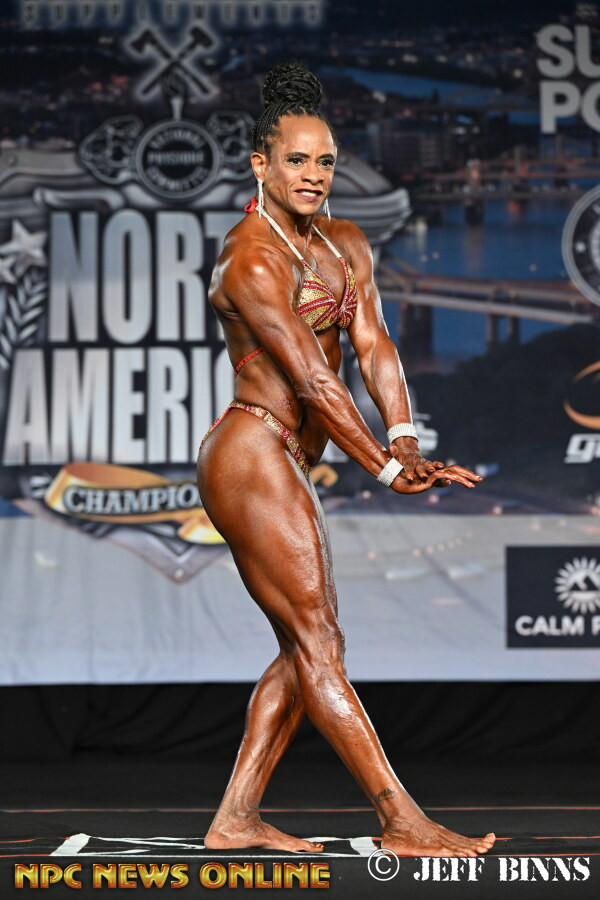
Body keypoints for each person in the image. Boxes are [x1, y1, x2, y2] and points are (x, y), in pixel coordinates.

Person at [196, 62, 495, 858]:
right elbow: (314, 381)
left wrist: (406, 439)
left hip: (290, 455)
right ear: (261, 164)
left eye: (325, 161)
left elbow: (375, 347)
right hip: (251, 449)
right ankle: (402, 819)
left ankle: (236, 817)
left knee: (305, 648)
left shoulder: (346, 244)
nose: (313, 174)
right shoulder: (249, 259)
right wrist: (386, 470)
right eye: (296, 160)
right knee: (320, 640)